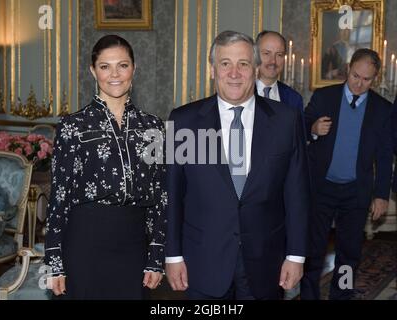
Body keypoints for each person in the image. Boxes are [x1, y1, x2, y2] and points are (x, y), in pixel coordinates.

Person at [165, 30, 310, 300]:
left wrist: (296, 255)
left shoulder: (286, 121)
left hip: (267, 261)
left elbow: (297, 193)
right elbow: (173, 196)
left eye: (243, 64)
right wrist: (173, 255)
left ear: (255, 69)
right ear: (212, 70)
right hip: (203, 259)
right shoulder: (184, 121)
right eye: (225, 63)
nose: (234, 73)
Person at [44, 35, 167, 299]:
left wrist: (156, 254)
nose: (114, 74)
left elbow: (160, 195)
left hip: (134, 243)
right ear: (93, 70)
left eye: (122, 65)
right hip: (84, 242)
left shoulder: (152, 126)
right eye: (104, 66)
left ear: (134, 68)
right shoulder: (72, 126)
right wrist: (55, 262)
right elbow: (59, 197)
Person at [301, 48, 393, 300]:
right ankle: (309, 295)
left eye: (366, 79)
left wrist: (381, 194)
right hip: (321, 187)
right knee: (313, 249)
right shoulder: (324, 97)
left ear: (375, 78)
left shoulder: (383, 109)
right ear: (347, 70)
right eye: (355, 76)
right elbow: (300, 128)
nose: (359, 84)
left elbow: (385, 156)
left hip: (355, 191)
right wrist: (313, 128)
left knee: (349, 252)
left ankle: (341, 295)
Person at [255, 30, 303, 112]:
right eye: (267, 53)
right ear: (255, 55)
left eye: (279, 55)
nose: (273, 61)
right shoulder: (241, 92)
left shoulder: (294, 99)